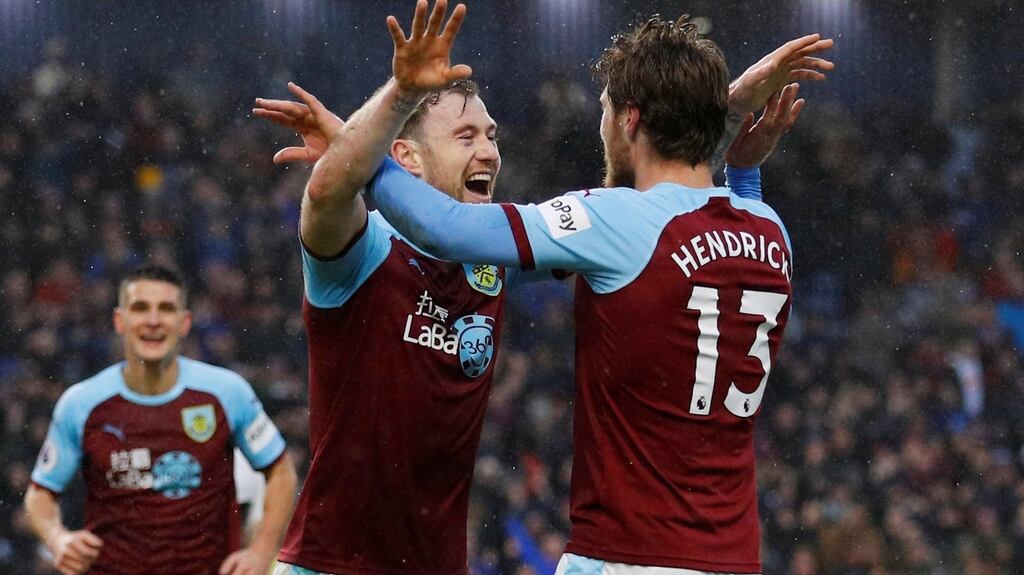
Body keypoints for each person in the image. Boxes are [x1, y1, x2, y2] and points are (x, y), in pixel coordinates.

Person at [252, 2, 830, 573]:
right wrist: (725, 130)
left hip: (615, 555)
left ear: (630, 119)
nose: (489, 150)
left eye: (491, 135)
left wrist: (354, 145)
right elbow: (329, 198)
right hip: (334, 564)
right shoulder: (767, 229)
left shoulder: (567, 238)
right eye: (467, 135)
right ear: (409, 155)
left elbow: (452, 227)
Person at [24, 264, 298, 575]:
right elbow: (40, 493)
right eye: (140, 308)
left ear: (184, 323)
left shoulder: (227, 392)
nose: (153, 321)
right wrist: (57, 538)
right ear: (119, 320)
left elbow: (281, 471)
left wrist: (261, 552)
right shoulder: (81, 404)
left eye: (166, 309)